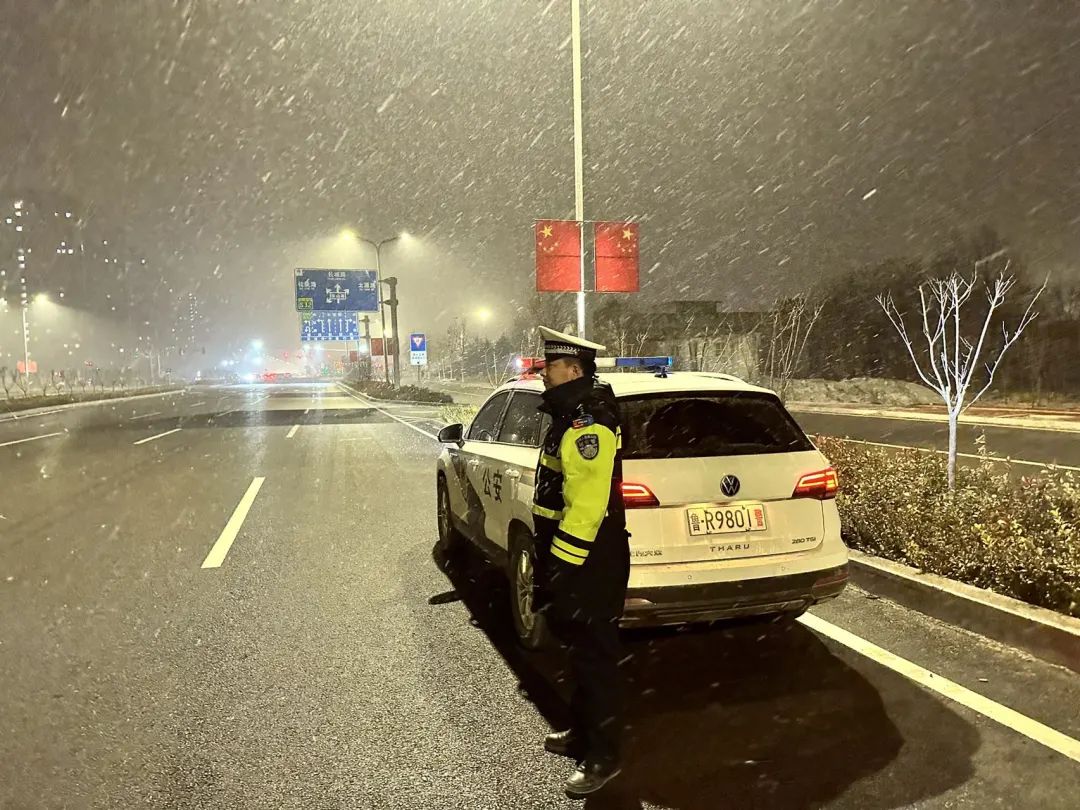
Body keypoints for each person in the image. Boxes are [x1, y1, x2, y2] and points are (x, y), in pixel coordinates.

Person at [531, 325, 630, 800]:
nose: (542, 373)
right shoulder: (570, 412)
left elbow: (587, 505)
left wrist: (563, 566)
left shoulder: (587, 421)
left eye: (549, 366)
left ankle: (603, 756)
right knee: (578, 651)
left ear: (572, 370)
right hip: (575, 556)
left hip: (589, 559)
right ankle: (584, 732)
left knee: (596, 658)